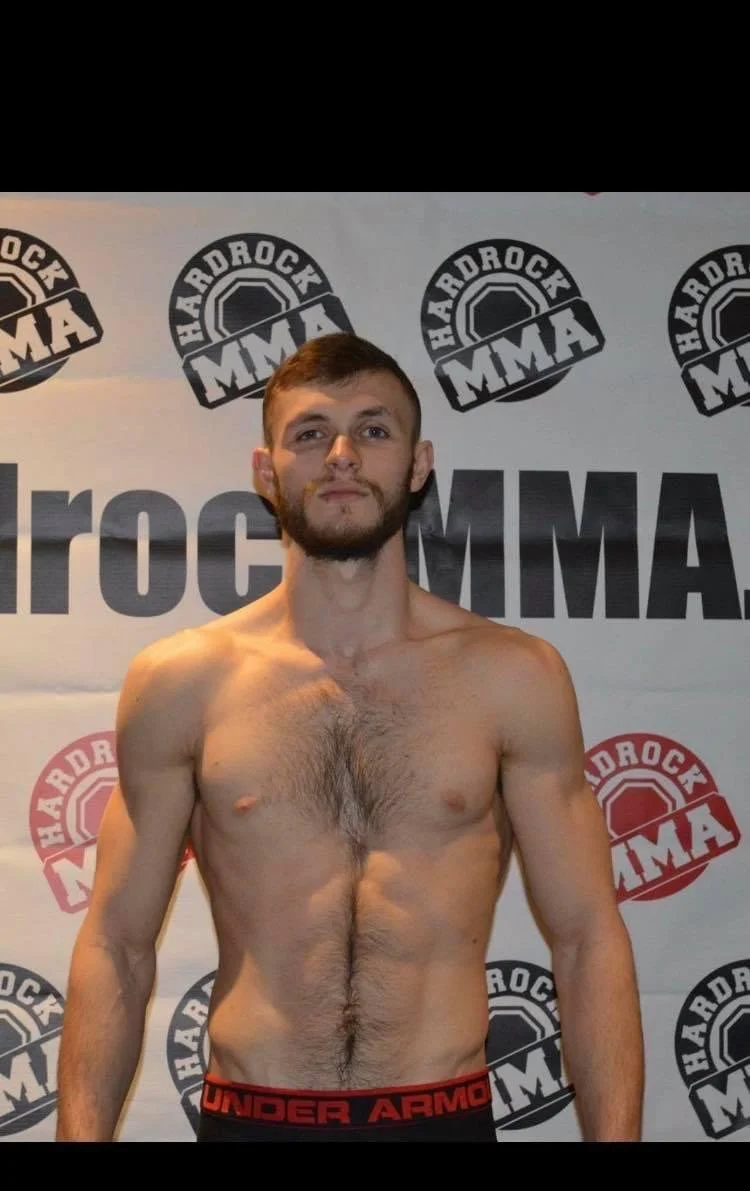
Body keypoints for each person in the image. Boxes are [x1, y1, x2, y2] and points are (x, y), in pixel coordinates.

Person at [55, 331, 644, 1143]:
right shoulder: (183, 682)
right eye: (310, 433)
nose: (341, 455)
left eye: (373, 429)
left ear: (418, 463)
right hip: (254, 1120)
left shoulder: (511, 676)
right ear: (267, 471)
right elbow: (117, 944)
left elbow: (586, 941)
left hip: (440, 1120)